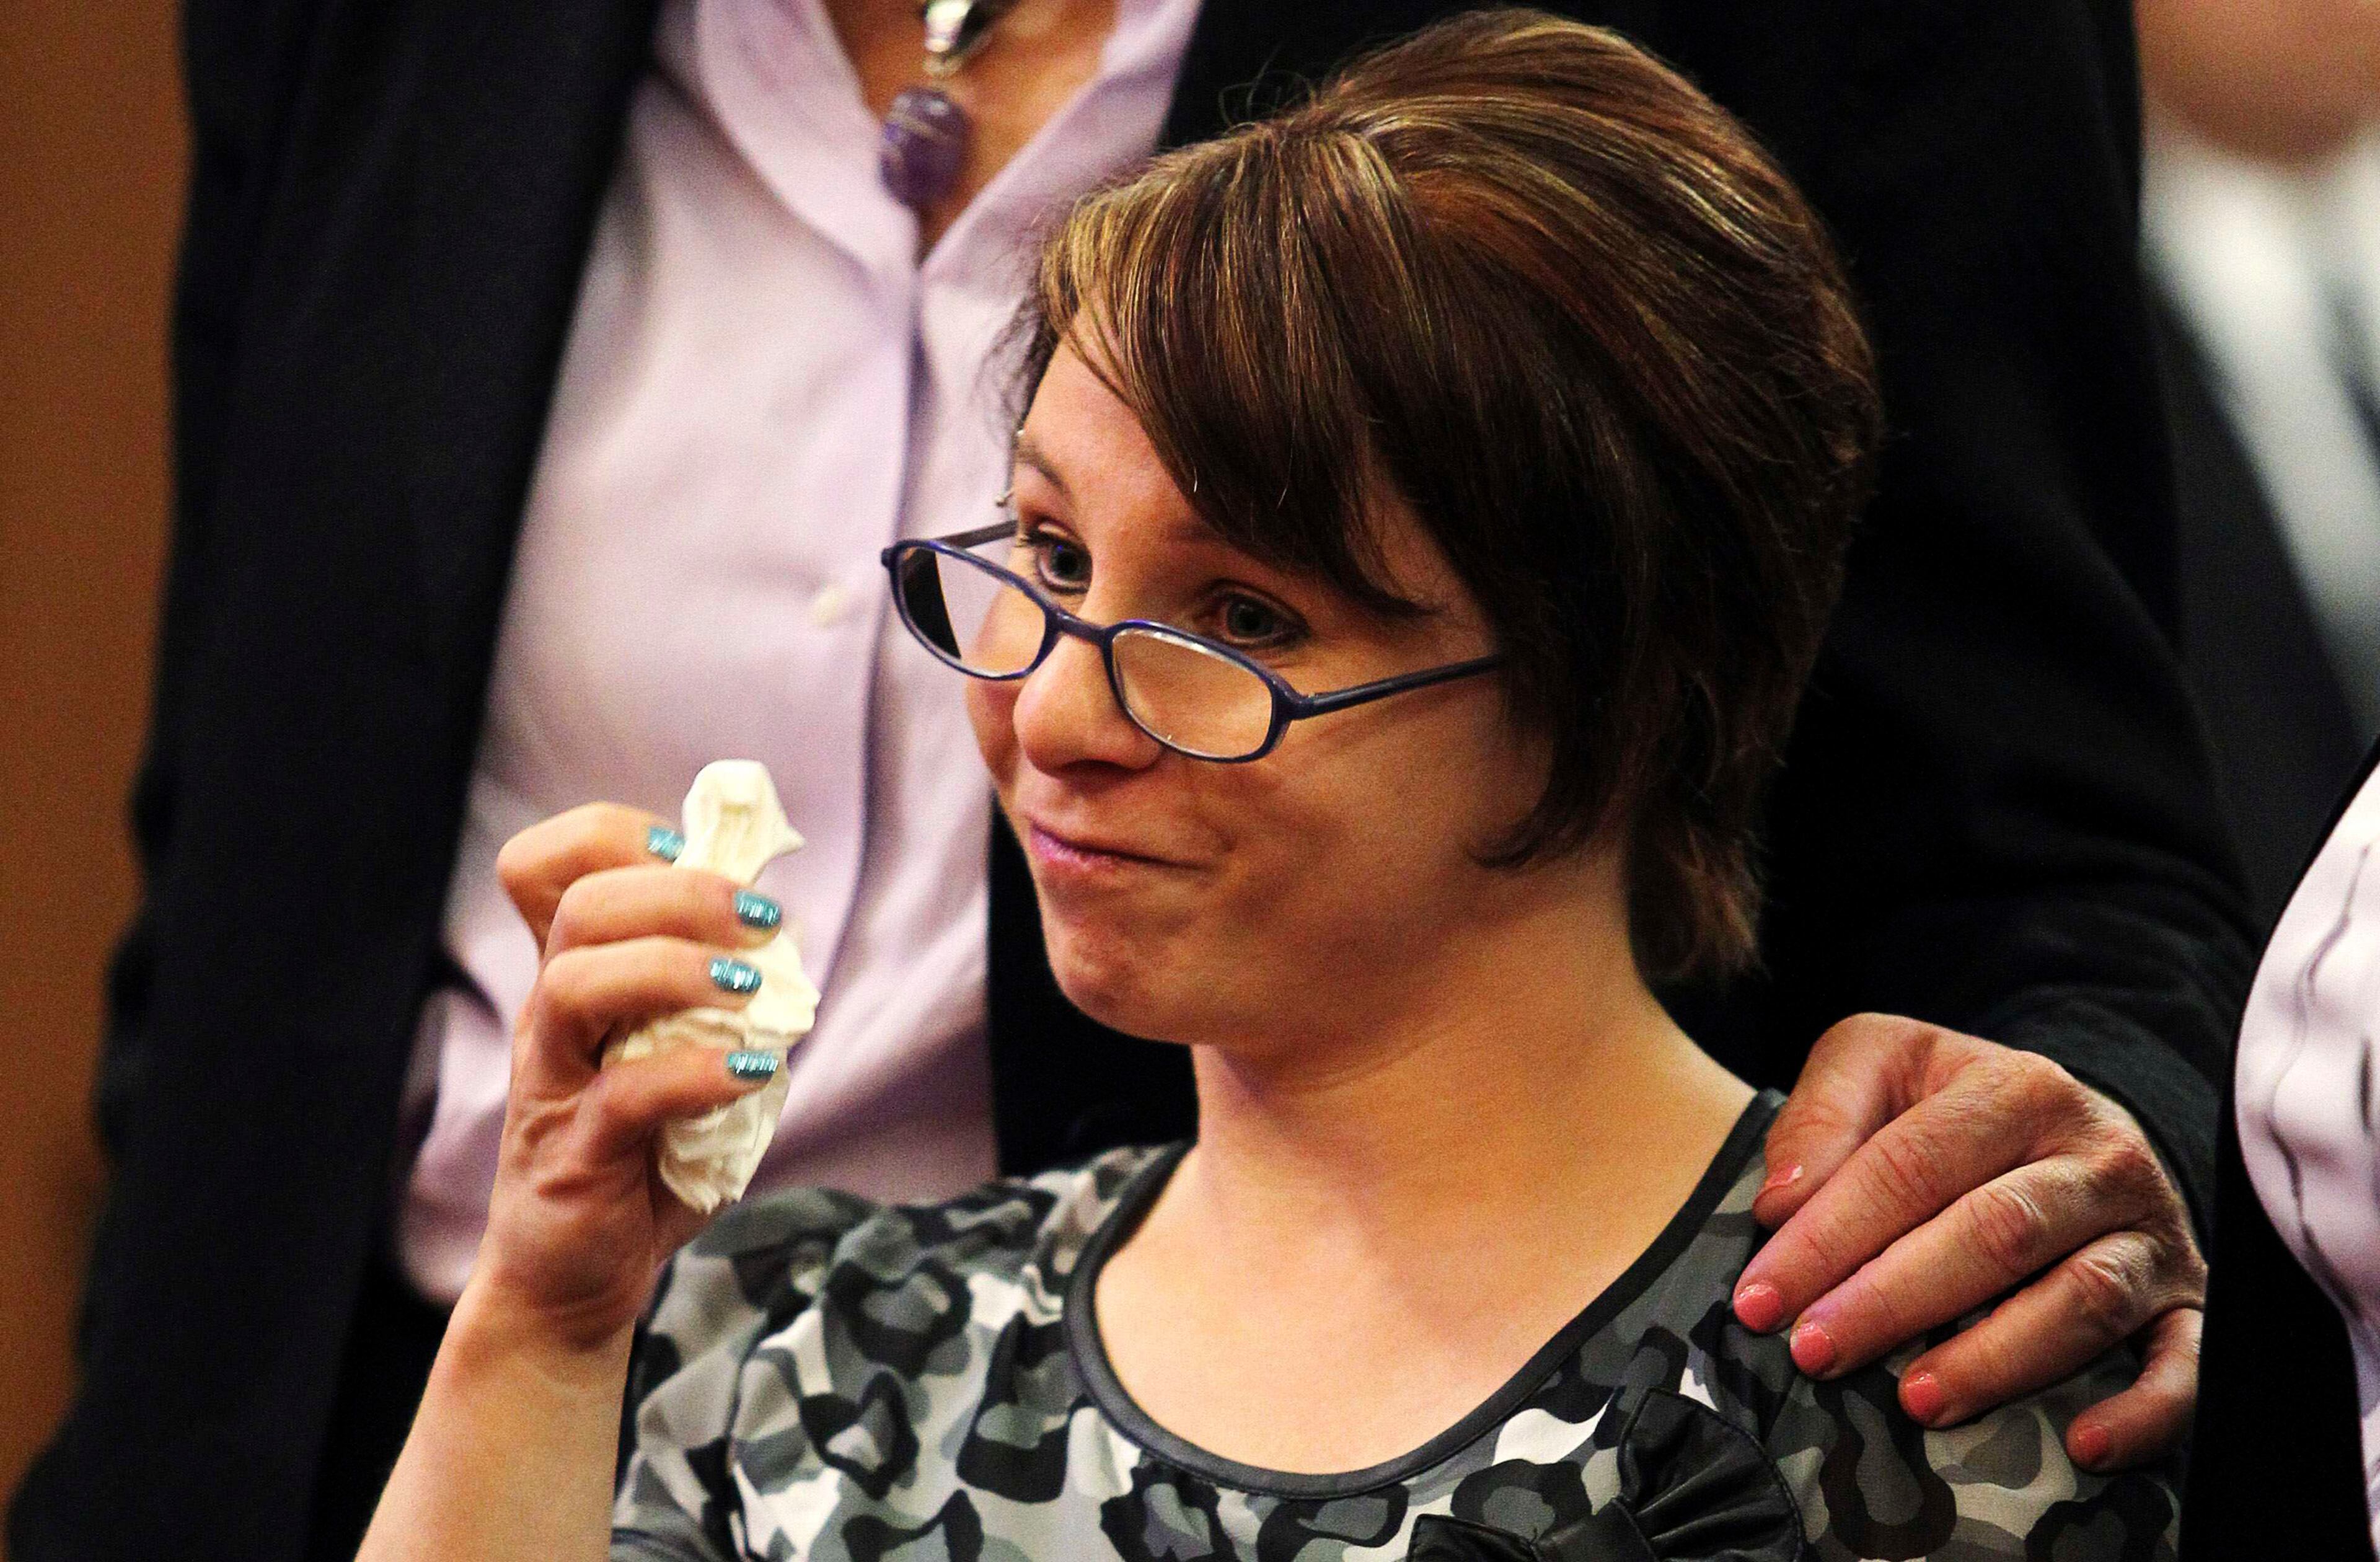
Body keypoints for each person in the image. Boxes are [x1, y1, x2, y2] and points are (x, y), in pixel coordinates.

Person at [14, 0, 2242, 1557]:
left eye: (1241, 622)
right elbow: (234, 865)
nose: (1063, 711)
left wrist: (2059, 1160)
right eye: (1045, 560)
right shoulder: (779, 1370)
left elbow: (2051, 820)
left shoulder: (1856, 1431)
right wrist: (543, 1319)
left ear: (1608, 676)